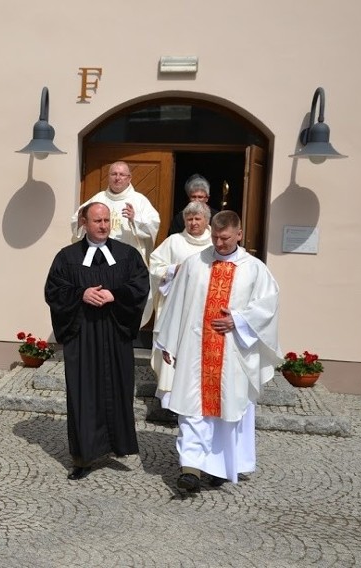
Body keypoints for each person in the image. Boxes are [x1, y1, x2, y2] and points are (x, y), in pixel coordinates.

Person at [155, 211, 281, 493]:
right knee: (191, 409)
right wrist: (168, 343)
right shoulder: (195, 263)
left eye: (225, 238)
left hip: (234, 353)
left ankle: (220, 467)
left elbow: (268, 305)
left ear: (239, 234)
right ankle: (190, 469)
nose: (219, 243)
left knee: (227, 409)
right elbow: (176, 302)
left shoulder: (254, 269)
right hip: (194, 351)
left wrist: (239, 319)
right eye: (214, 237)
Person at [46, 202, 150, 481]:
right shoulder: (67, 258)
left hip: (115, 333)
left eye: (106, 220)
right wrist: (81, 294)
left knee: (117, 388)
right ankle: (83, 456)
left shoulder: (127, 255)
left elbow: (140, 286)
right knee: (83, 393)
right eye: (97, 221)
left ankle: (116, 446)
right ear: (84, 222)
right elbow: (54, 291)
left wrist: (116, 295)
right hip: (83, 336)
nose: (103, 226)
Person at [70, 161, 160, 326]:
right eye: (114, 174)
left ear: (129, 178)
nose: (117, 178)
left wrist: (135, 219)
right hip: (99, 262)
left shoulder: (139, 201)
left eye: (122, 175)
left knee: (122, 303)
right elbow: (77, 220)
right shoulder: (98, 199)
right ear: (108, 177)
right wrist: (82, 221)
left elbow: (153, 225)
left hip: (126, 264)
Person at [149, 202, 212, 397]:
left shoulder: (214, 243)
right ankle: (169, 396)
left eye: (197, 219)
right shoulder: (174, 241)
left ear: (206, 220)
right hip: (176, 307)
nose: (193, 223)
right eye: (189, 219)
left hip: (204, 309)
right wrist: (173, 269)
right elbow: (154, 265)